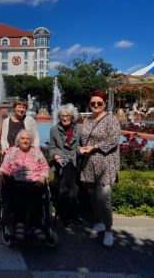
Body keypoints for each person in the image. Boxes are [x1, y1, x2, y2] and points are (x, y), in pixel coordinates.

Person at [79, 90, 120, 248]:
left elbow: (113, 140)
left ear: (105, 104)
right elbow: (83, 139)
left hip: (106, 163)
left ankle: (109, 230)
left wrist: (94, 147)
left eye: (99, 103)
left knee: (103, 198)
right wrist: (82, 149)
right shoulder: (88, 120)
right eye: (93, 103)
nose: (96, 106)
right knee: (92, 196)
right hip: (89, 163)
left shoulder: (111, 119)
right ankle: (100, 221)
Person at [0, 130, 49, 239]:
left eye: (27, 138)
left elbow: (45, 166)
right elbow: (5, 166)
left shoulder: (37, 151)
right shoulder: (12, 151)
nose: (25, 141)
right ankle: (19, 223)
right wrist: (0, 174)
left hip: (35, 180)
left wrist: (43, 176)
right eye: (22, 138)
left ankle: (35, 226)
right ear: (18, 140)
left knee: (37, 193)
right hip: (18, 181)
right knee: (19, 192)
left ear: (31, 141)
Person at [49, 104, 82, 226]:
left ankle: (70, 215)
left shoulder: (79, 128)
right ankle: (64, 215)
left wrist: (79, 151)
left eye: (68, 116)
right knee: (63, 189)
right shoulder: (54, 129)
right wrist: (55, 156)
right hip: (60, 162)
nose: (65, 118)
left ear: (72, 117)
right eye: (62, 116)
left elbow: (82, 145)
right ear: (59, 117)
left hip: (74, 161)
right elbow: (52, 148)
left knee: (73, 190)